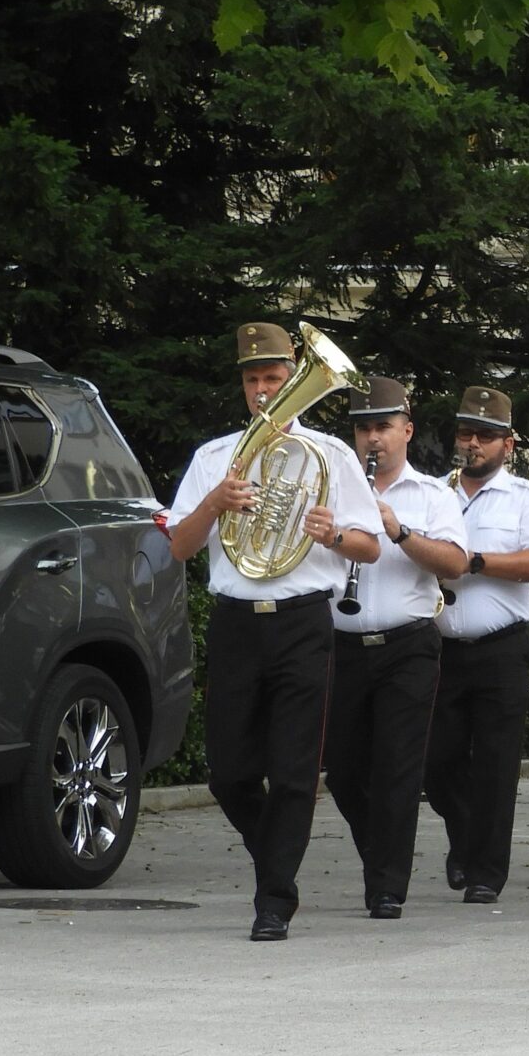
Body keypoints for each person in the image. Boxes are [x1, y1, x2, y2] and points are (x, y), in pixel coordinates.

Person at [165, 323, 383, 941]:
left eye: (275, 378)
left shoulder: (332, 455)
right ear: (242, 385)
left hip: (302, 621)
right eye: (254, 380)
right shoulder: (215, 458)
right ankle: (276, 860)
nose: (264, 391)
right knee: (228, 774)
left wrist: (331, 534)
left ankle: (274, 900)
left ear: (294, 379)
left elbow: (367, 546)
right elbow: (180, 546)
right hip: (237, 623)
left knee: (292, 771)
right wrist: (215, 504)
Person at [324, 378, 470, 919]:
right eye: (363, 428)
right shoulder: (333, 492)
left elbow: (454, 564)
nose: (372, 439)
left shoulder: (432, 495)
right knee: (341, 769)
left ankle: (387, 885)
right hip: (340, 644)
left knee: (397, 767)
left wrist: (398, 529)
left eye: (383, 427)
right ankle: (380, 854)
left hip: (408, 644)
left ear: (406, 430)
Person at [427, 384, 529, 906]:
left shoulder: (527, 497)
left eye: (486, 435)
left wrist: (475, 561)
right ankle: (465, 836)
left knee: (497, 765)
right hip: (440, 647)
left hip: (501, 647)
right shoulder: (434, 492)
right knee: (435, 763)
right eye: (466, 433)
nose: (473, 444)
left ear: (508, 444)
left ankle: (486, 872)